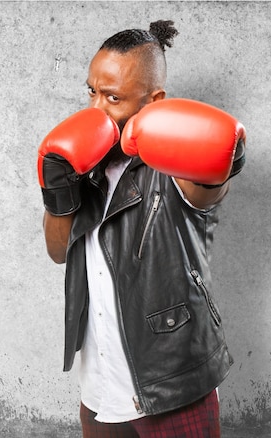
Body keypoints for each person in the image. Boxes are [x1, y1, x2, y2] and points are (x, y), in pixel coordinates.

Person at [37, 20, 245, 437]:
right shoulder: (84, 164)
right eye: (91, 92)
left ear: (154, 101)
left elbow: (206, 190)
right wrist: (59, 193)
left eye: (113, 97)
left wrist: (226, 159)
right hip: (100, 381)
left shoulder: (172, 166)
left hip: (169, 380)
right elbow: (59, 252)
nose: (96, 110)